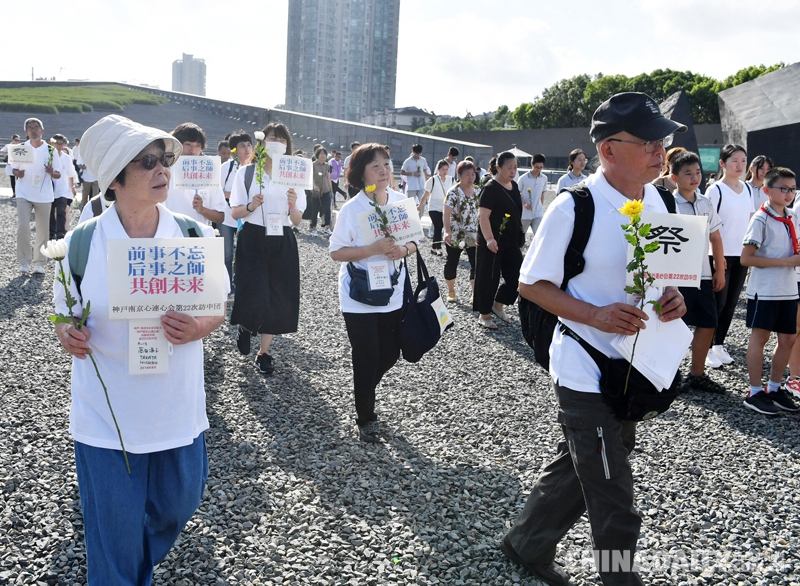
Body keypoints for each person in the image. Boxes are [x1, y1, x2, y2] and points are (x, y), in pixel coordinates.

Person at [502, 92, 687, 586]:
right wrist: (595, 315)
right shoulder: (575, 205)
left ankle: (525, 542)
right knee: (612, 494)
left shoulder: (664, 200)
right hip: (584, 365)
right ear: (608, 149)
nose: (659, 149)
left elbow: (671, 277)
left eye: (662, 140)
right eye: (648, 141)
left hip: (636, 363)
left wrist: (675, 298)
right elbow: (530, 284)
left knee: (590, 459)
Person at [52, 114, 228, 585]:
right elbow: (63, 318)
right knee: (111, 540)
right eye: (147, 161)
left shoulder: (193, 236)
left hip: (177, 413)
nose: (162, 169)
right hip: (105, 421)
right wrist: (67, 334)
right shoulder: (82, 244)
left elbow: (218, 307)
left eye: (165, 159)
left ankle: (133, 569)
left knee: (177, 506)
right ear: (114, 179)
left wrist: (198, 327)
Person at [329, 143, 418, 443]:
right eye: (375, 166)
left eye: (387, 164)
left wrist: (403, 249)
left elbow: (415, 242)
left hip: (392, 292)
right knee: (366, 356)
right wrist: (373, 249)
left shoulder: (400, 201)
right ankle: (366, 417)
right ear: (361, 173)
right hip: (358, 296)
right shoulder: (352, 209)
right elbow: (336, 252)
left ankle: (364, 388)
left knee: (391, 352)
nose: (384, 171)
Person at [229, 123, 305, 375]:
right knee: (254, 291)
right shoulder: (247, 173)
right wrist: (251, 206)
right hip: (253, 237)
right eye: (272, 138)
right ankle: (246, 326)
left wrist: (293, 205)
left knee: (277, 296)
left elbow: (296, 221)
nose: (277, 143)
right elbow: (235, 211)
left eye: (282, 140)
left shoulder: (294, 176)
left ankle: (264, 353)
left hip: (281, 237)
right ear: (262, 142)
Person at [740, 167, 800, 415]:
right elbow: (746, 258)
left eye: (792, 189)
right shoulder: (761, 218)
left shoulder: (792, 216)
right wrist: (787, 262)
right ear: (766, 190)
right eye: (783, 188)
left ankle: (774, 388)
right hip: (765, 291)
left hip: (788, 289)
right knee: (760, 338)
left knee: (787, 339)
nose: (789, 193)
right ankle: (754, 391)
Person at [670, 151, 726, 394]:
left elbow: (715, 236)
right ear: (674, 177)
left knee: (708, 322)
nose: (695, 178)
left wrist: (719, 267)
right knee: (673, 325)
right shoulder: (667, 204)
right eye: (688, 174)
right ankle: (669, 375)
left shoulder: (705, 202)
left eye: (698, 173)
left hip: (703, 273)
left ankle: (697, 374)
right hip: (676, 276)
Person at [705, 144, 754, 368]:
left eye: (743, 160)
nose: (740, 165)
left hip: (740, 255)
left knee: (732, 304)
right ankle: (705, 348)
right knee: (717, 303)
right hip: (719, 255)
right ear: (722, 163)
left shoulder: (748, 189)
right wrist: (717, 257)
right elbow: (707, 225)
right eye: (735, 160)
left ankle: (719, 345)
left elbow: (751, 220)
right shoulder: (715, 190)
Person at [473, 151, 522, 329]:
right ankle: (484, 313)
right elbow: (483, 216)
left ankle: (498, 304)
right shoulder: (490, 188)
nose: (513, 171)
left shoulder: (514, 187)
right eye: (509, 168)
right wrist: (489, 239)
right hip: (492, 242)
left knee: (517, 275)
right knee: (488, 278)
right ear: (498, 168)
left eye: (515, 167)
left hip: (511, 241)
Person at [9, 117, 62, 274]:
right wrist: (17, 172)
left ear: (42, 130)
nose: (33, 130)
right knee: (23, 226)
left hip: (44, 195)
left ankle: (39, 262)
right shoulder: (21, 148)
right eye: (30, 127)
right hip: (23, 192)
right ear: (26, 132)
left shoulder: (51, 150)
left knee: (42, 230)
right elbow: (13, 169)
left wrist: (53, 172)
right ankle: (24, 261)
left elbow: (59, 174)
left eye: (36, 127)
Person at [163, 123, 227, 227]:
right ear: (177, 144)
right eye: (188, 144)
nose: (193, 151)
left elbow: (220, 217)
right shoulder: (164, 169)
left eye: (198, 146)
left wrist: (202, 210)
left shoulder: (209, 173)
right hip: (169, 235)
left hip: (198, 237)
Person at [219, 130, 253, 296]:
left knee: (243, 253)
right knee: (227, 253)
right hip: (227, 217)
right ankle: (227, 288)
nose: (247, 149)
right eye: (242, 146)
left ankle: (239, 284)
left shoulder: (256, 169)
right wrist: (236, 196)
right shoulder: (227, 167)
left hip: (246, 217)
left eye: (248, 145)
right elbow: (217, 190)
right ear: (234, 150)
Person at [443, 160, 479, 303]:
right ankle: (451, 291)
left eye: (473, 174)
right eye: (467, 174)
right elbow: (446, 213)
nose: (471, 177)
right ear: (459, 175)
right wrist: (447, 231)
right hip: (456, 233)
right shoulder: (453, 192)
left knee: (476, 264)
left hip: (474, 233)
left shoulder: (478, 190)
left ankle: (474, 293)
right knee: (452, 262)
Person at [418, 159, 454, 255]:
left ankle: (435, 247)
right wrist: (420, 205)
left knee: (444, 227)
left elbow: (455, 194)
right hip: (434, 207)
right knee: (438, 227)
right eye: (443, 169)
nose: (445, 171)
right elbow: (426, 194)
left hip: (446, 208)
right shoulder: (432, 180)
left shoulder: (452, 180)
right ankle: (438, 248)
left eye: (447, 169)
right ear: (438, 169)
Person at [50, 134, 78, 239]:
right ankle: (51, 232)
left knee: (61, 211)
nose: (58, 146)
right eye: (56, 143)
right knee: (51, 212)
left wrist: (73, 187)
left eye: (61, 144)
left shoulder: (66, 158)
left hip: (62, 189)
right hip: (49, 189)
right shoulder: (48, 156)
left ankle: (60, 232)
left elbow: (71, 174)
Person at [516, 153, 548, 241]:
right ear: (532, 164)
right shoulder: (523, 178)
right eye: (537, 167)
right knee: (520, 238)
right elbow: (516, 194)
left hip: (538, 214)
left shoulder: (544, 178)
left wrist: (540, 206)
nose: (538, 170)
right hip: (524, 214)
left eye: (541, 167)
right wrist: (524, 204)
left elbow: (542, 193)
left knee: (540, 238)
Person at [311, 146, 333, 236]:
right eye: (321, 153)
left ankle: (327, 228)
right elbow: (310, 177)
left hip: (326, 190)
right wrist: (314, 186)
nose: (323, 155)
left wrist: (331, 191)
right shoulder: (313, 165)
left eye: (324, 153)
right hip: (316, 191)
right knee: (315, 210)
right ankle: (314, 228)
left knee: (327, 209)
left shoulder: (327, 166)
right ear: (317, 155)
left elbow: (328, 178)